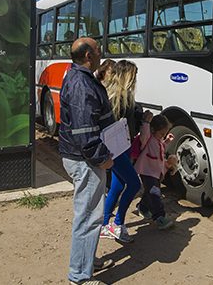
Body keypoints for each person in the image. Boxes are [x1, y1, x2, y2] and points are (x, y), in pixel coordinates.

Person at [58, 37, 114, 285]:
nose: (102, 53)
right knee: (89, 216)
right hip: (85, 160)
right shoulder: (81, 83)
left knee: (89, 212)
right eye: (98, 50)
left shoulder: (78, 76)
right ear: (89, 56)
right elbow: (84, 132)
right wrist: (101, 158)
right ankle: (80, 276)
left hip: (80, 157)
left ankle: (86, 258)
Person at [98, 60, 144, 243]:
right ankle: (118, 223)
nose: (135, 81)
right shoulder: (120, 99)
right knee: (133, 184)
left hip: (120, 148)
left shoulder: (114, 95)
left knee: (117, 186)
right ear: (127, 77)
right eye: (133, 76)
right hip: (117, 149)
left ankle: (104, 223)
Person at [134, 113, 178, 229]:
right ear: (153, 130)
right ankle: (159, 216)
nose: (163, 136)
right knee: (155, 194)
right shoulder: (147, 139)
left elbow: (160, 149)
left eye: (165, 134)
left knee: (150, 192)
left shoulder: (158, 141)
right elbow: (144, 134)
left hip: (156, 173)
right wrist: (146, 123)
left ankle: (142, 207)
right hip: (147, 172)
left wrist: (167, 141)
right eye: (162, 134)